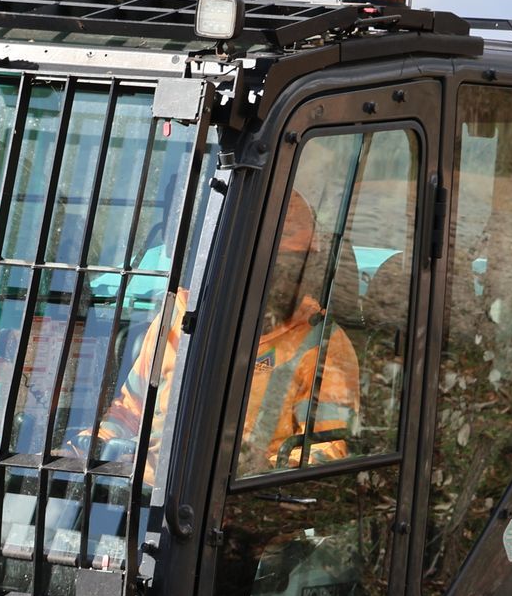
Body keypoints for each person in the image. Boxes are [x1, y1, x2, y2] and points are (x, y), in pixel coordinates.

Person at [96, 190, 359, 477]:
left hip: (244, 505)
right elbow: (130, 410)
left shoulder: (321, 343)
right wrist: (92, 444)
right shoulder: (177, 315)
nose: (275, 280)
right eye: (261, 266)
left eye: (288, 267)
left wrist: (265, 469)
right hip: (141, 497)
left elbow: (330, 447)